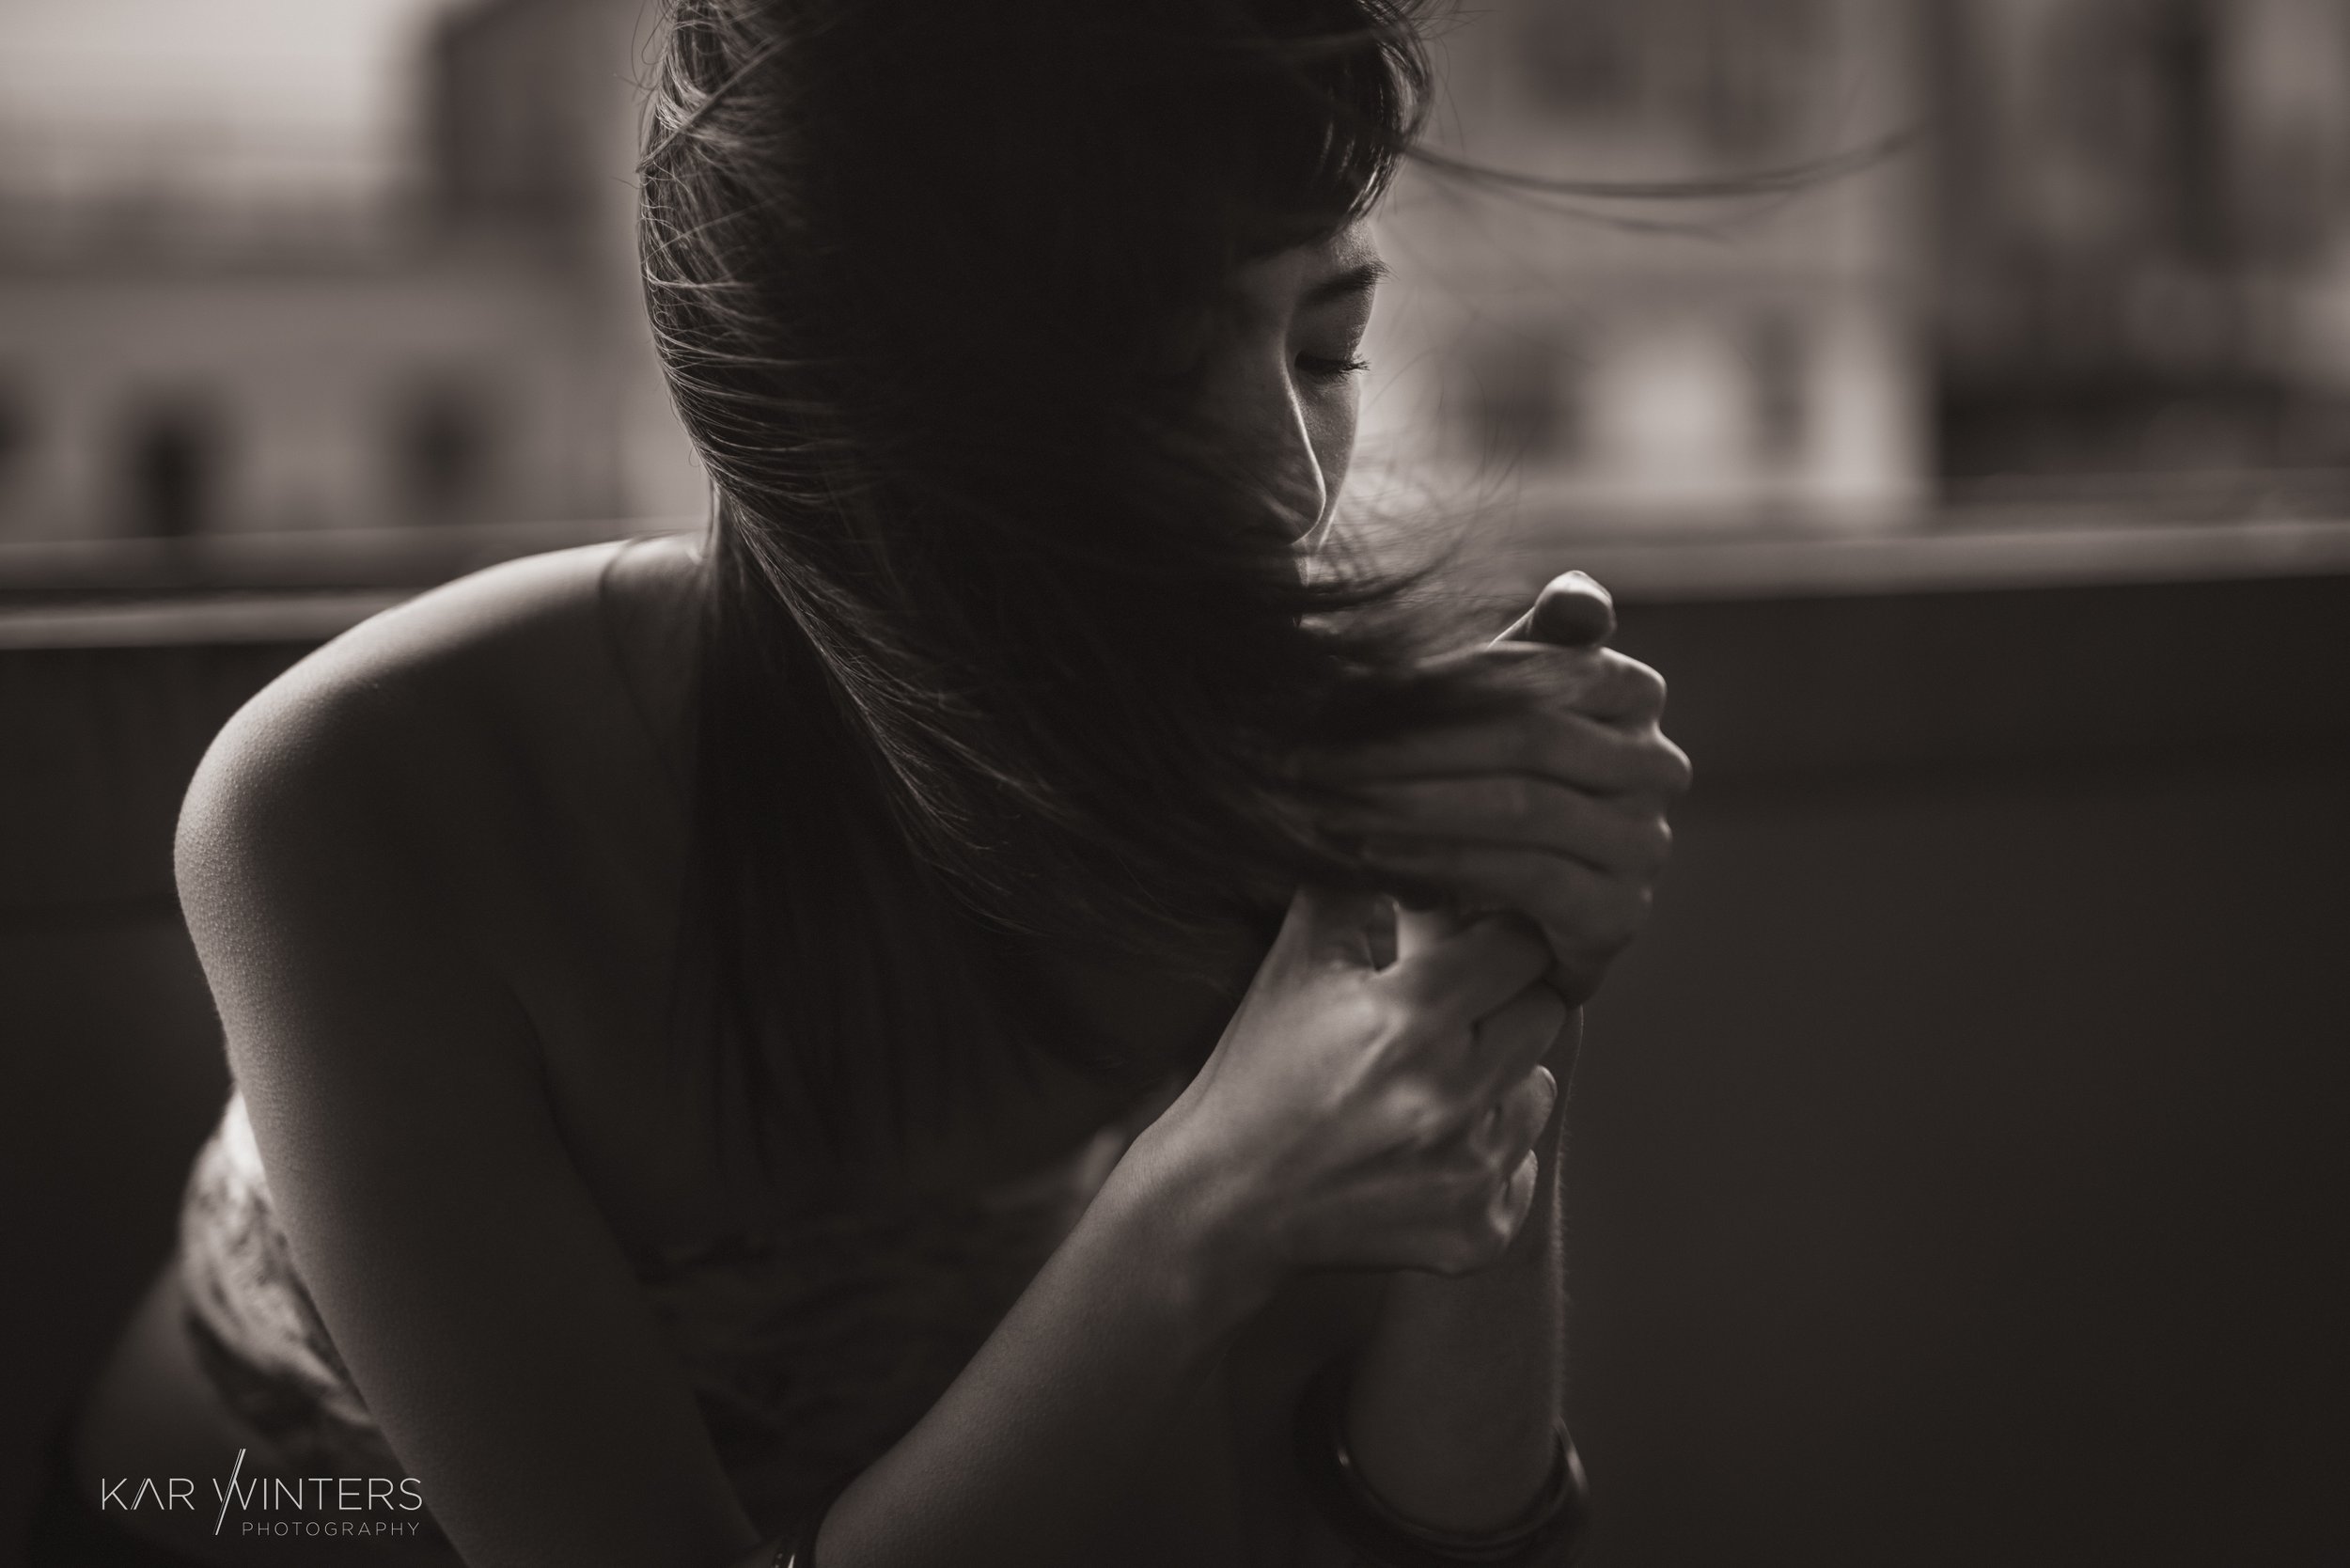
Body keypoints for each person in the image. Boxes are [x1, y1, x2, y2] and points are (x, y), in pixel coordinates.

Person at [46, 1, 1690, 1564]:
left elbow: (1417, 1540)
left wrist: (1506, 979)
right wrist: (1194, 1215)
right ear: (830, 389)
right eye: (1145, 361)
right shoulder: (359, 803)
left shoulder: (1281, 796)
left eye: (1328, 348)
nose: (1283, 488)